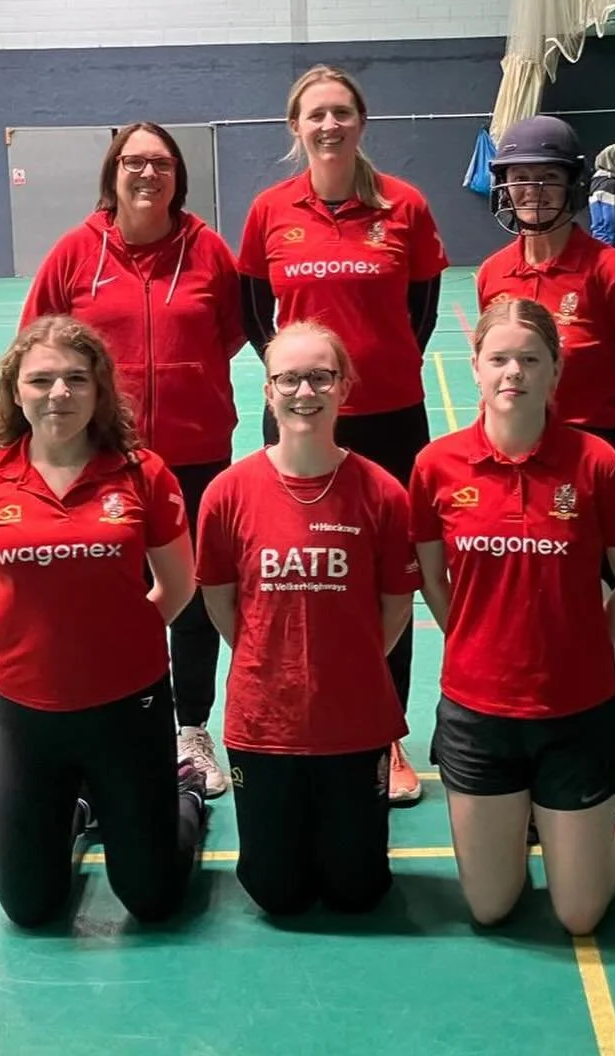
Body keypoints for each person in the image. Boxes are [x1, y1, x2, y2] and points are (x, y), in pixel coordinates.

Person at [0, 315, 209, 929]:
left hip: (130, 705)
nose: (58, 393)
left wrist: (118, 637)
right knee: (30, 908)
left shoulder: (144, 473)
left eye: (76, 379)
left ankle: (187, 795)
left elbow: (178, 585)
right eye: (41, 380)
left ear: (99, 391)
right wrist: (40, 646)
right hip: (27, 712)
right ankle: (79, 807)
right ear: (16, 391)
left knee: (151, 900)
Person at [410, 299, 615, 935]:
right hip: (478, 715)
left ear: (555, 371)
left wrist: (585, 642)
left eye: (530, 359)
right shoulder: (435, 466)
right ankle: (536, 820)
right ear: (475, 366)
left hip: (577, 712)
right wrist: (470, 635)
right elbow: (432, 579)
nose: (513, 372)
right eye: (498, 358)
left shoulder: (596, 463)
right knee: (491, 906)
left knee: (579, 914)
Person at [238, 64, 448, 804]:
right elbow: (254, 312)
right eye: (315, 114)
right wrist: (299, 385)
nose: (329, 125)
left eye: (341, 112)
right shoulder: (269, 210)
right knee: (298, 573)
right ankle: (302, 717)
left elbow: (422, 310)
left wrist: (374, 374)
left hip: (390, 417)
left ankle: (387, 736)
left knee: (389, 576)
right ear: (295, 128)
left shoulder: (404, 205)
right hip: (297, 420)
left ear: (361, 122)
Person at [21, 122, 244, 797]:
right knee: (107, 593)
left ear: (178, 176)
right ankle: (107, 722)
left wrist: (182, 380)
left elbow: (231, 332)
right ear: (112, 173)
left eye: (162, 163)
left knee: (193, 596)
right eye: (134, 162)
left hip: (196, 455)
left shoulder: (208, 249)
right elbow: (36, 342)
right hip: (102, 458)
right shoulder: (75, 252)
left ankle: (191, 727)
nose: (148, 174)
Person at [196, 322, 420, 916]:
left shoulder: (382, 493)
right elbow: (220, 599)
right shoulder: (227, 493)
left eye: (320, 377)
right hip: (263, 722)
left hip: (355, 721)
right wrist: (266, 656)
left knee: (357, 891)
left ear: (344, 387)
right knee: (276, 893)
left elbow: (397, 605)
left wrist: (351, 662)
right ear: (268, 390)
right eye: (289, 378)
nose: (305, 392)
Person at [475, 113, 615, 740]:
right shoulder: (492, 273)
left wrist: (597, 425)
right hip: (515, 454)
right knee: (533, 595)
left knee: (599, 601)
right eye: (519, 179)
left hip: (595, 453)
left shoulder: (612, 272)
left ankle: (612, 746)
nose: (531, 192)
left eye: (547, 179)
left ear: (572, 185)